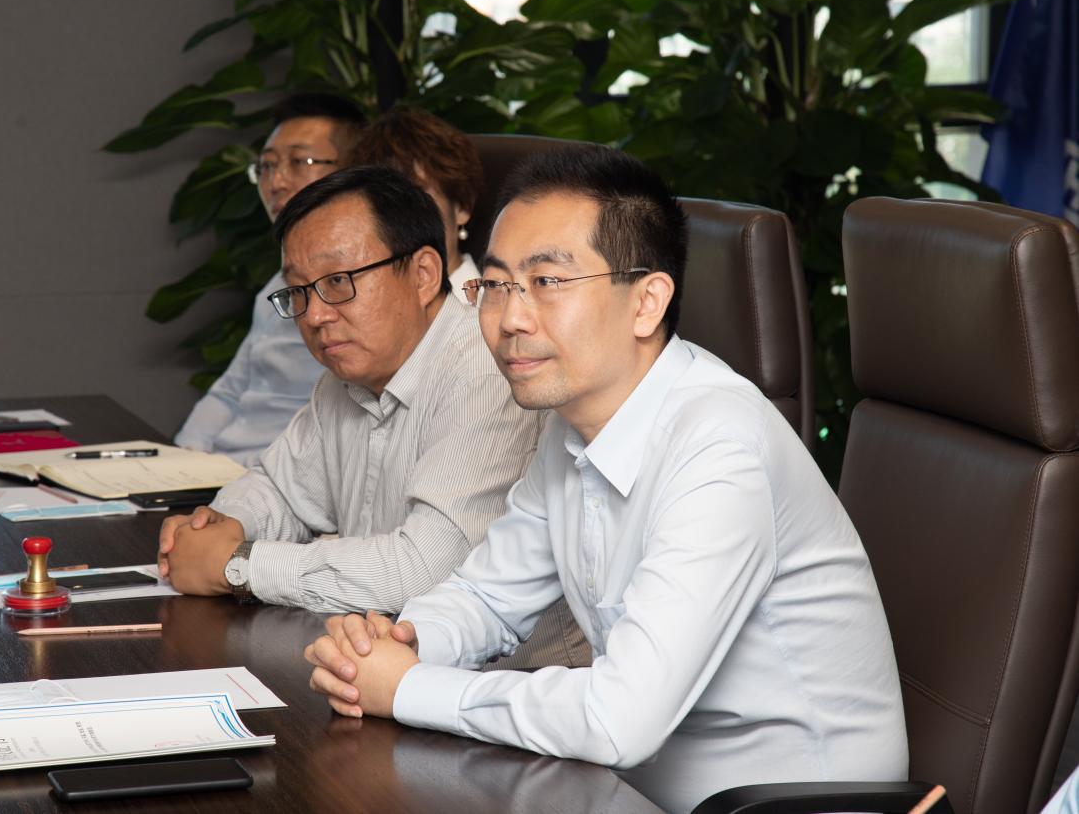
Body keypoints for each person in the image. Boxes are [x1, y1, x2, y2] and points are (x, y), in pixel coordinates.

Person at [303, 146, 908, 814]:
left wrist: (408, 687)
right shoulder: (573, 425)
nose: (511, 319)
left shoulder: (721, 446)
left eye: (547, 282)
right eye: (496, 285)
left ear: (647, 302)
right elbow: (489, 595)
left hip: (784, 804)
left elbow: (621, 717)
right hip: (630, 788)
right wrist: (402, 643)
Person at [157, 164, 585, 666]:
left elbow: (425, 569)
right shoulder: (345, 377)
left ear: (423, 275)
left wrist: (238, 565)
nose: (315, 315)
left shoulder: (487, 368)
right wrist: (224, 523)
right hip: (381, 665)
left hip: (512, 681)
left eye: (339, 281)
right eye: (299, 291)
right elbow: (279, 488)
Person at [173, 93, 365, 464]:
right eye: (266, 166)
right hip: (219, 470)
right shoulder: (276, 285)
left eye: (299, 161)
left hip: (278, 478)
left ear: (353, 170)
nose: (276, 181)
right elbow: (229, 391)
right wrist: (185, 457)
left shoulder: (360, 287)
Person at [349, 108, 483, 298]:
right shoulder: (351, 304)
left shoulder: (488, 311)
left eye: (417, 194)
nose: (400, 213)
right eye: (384, 200)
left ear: (462, 207)